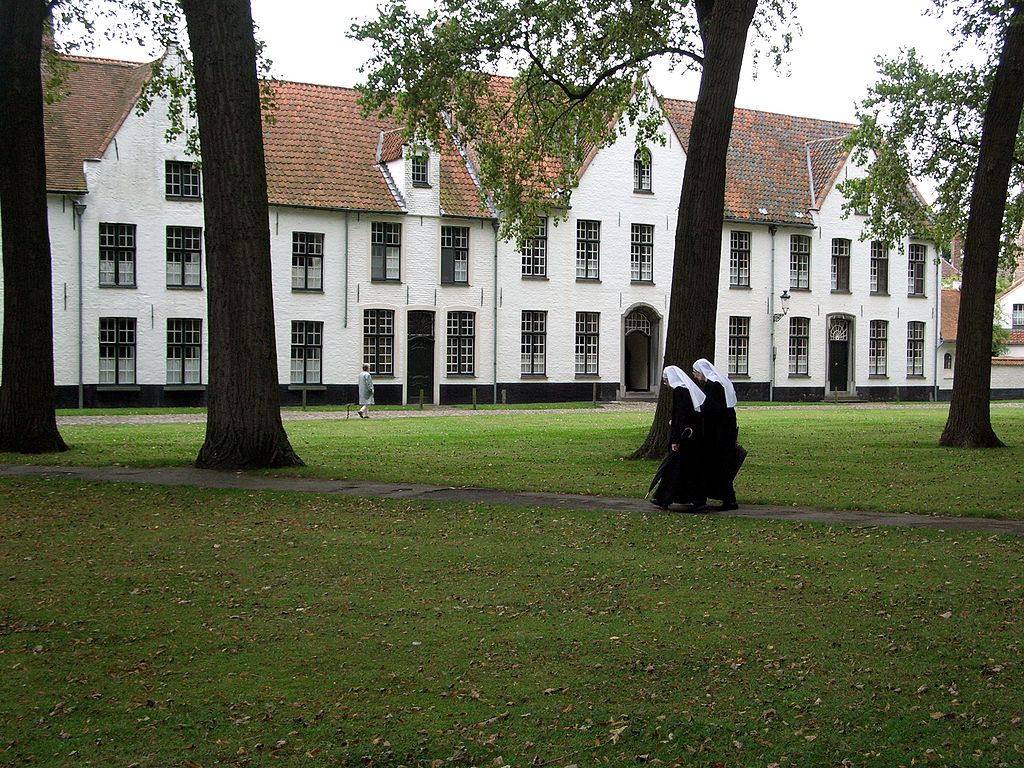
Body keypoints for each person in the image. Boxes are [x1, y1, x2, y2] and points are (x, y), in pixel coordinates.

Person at [649, 365, 707, 511]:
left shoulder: (679, 392)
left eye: (665, 380)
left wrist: (675, 439)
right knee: (685, 469)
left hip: (684, 437)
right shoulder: (688, 391)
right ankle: (671, 498)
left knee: (675, 469)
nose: (665, 383)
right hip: (691, 436)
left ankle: (664, 498)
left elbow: (680, 416)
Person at [691, 358, 739, 511]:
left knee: (718, 466)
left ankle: (727, 499)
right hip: (727, 430)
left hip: (717, 433)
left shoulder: (711, 386)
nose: (695, 377)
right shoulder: (722, 382)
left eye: (695, 374)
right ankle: (728, 498)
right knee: (722, 465)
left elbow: (712, 410)